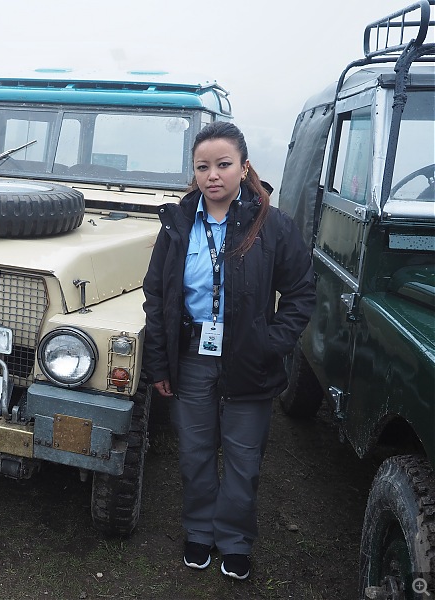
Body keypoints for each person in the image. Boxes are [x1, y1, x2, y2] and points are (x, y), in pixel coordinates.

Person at [142, 121, 315, 580]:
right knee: (195, 451)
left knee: (243, 456)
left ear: (244, 168)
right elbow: (156, 296)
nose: (212, 175)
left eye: (223, 164)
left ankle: (235, 540)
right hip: (192, 356)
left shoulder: (272, 226)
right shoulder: (177, 225)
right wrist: (159, 361)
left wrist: (271, 343)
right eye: (203, 166)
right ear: (194, 172)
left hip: (249, 360)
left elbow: (301, 293)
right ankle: (199, 532)